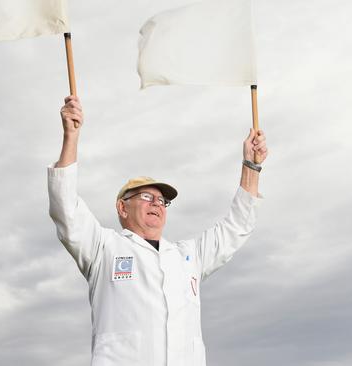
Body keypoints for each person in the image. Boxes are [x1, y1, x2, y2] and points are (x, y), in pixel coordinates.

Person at [48, 95, 268, 366]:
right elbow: (65, 207)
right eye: (146, 197)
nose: (157, 205)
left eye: (162, 201)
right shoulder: (103, 248)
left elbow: (236, 227)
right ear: (122, 207)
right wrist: (71, 136)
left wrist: (252, 166)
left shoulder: (188, 256)